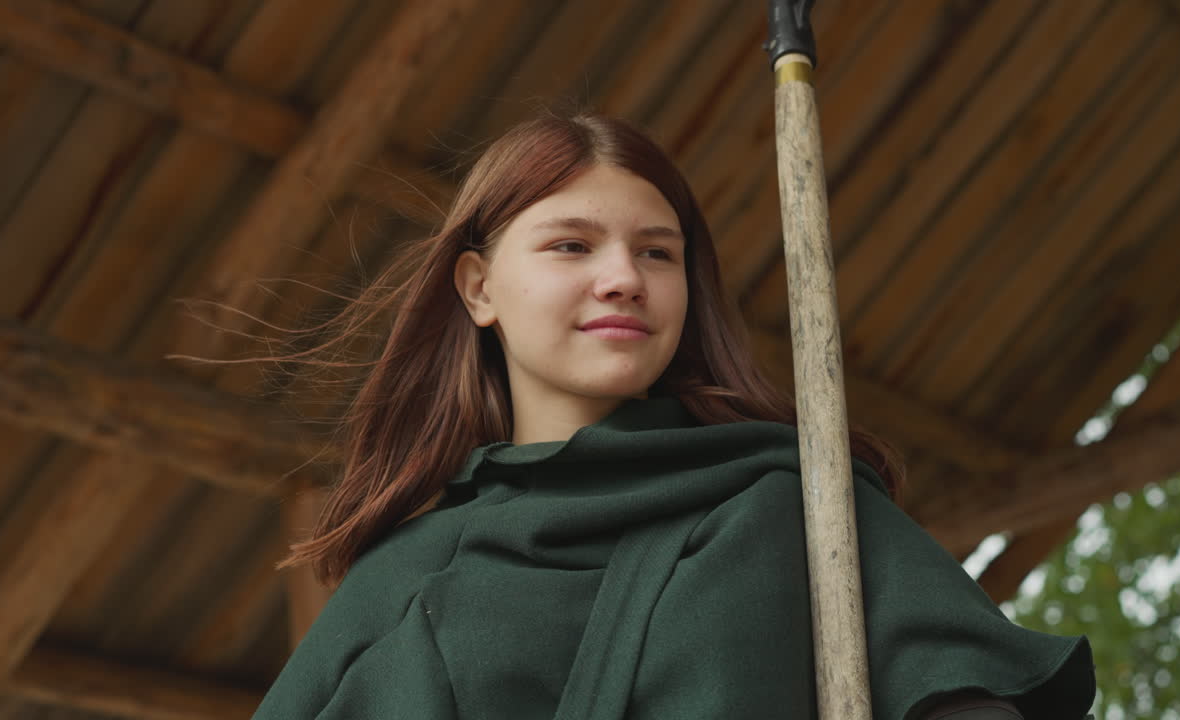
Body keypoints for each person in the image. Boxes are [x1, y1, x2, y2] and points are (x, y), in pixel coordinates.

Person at [250, 108, 1096, 719]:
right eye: (572, 245)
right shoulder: (408, 587)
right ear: (478, 288)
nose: (624, 277)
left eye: (657, 251)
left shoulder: (799, 507)